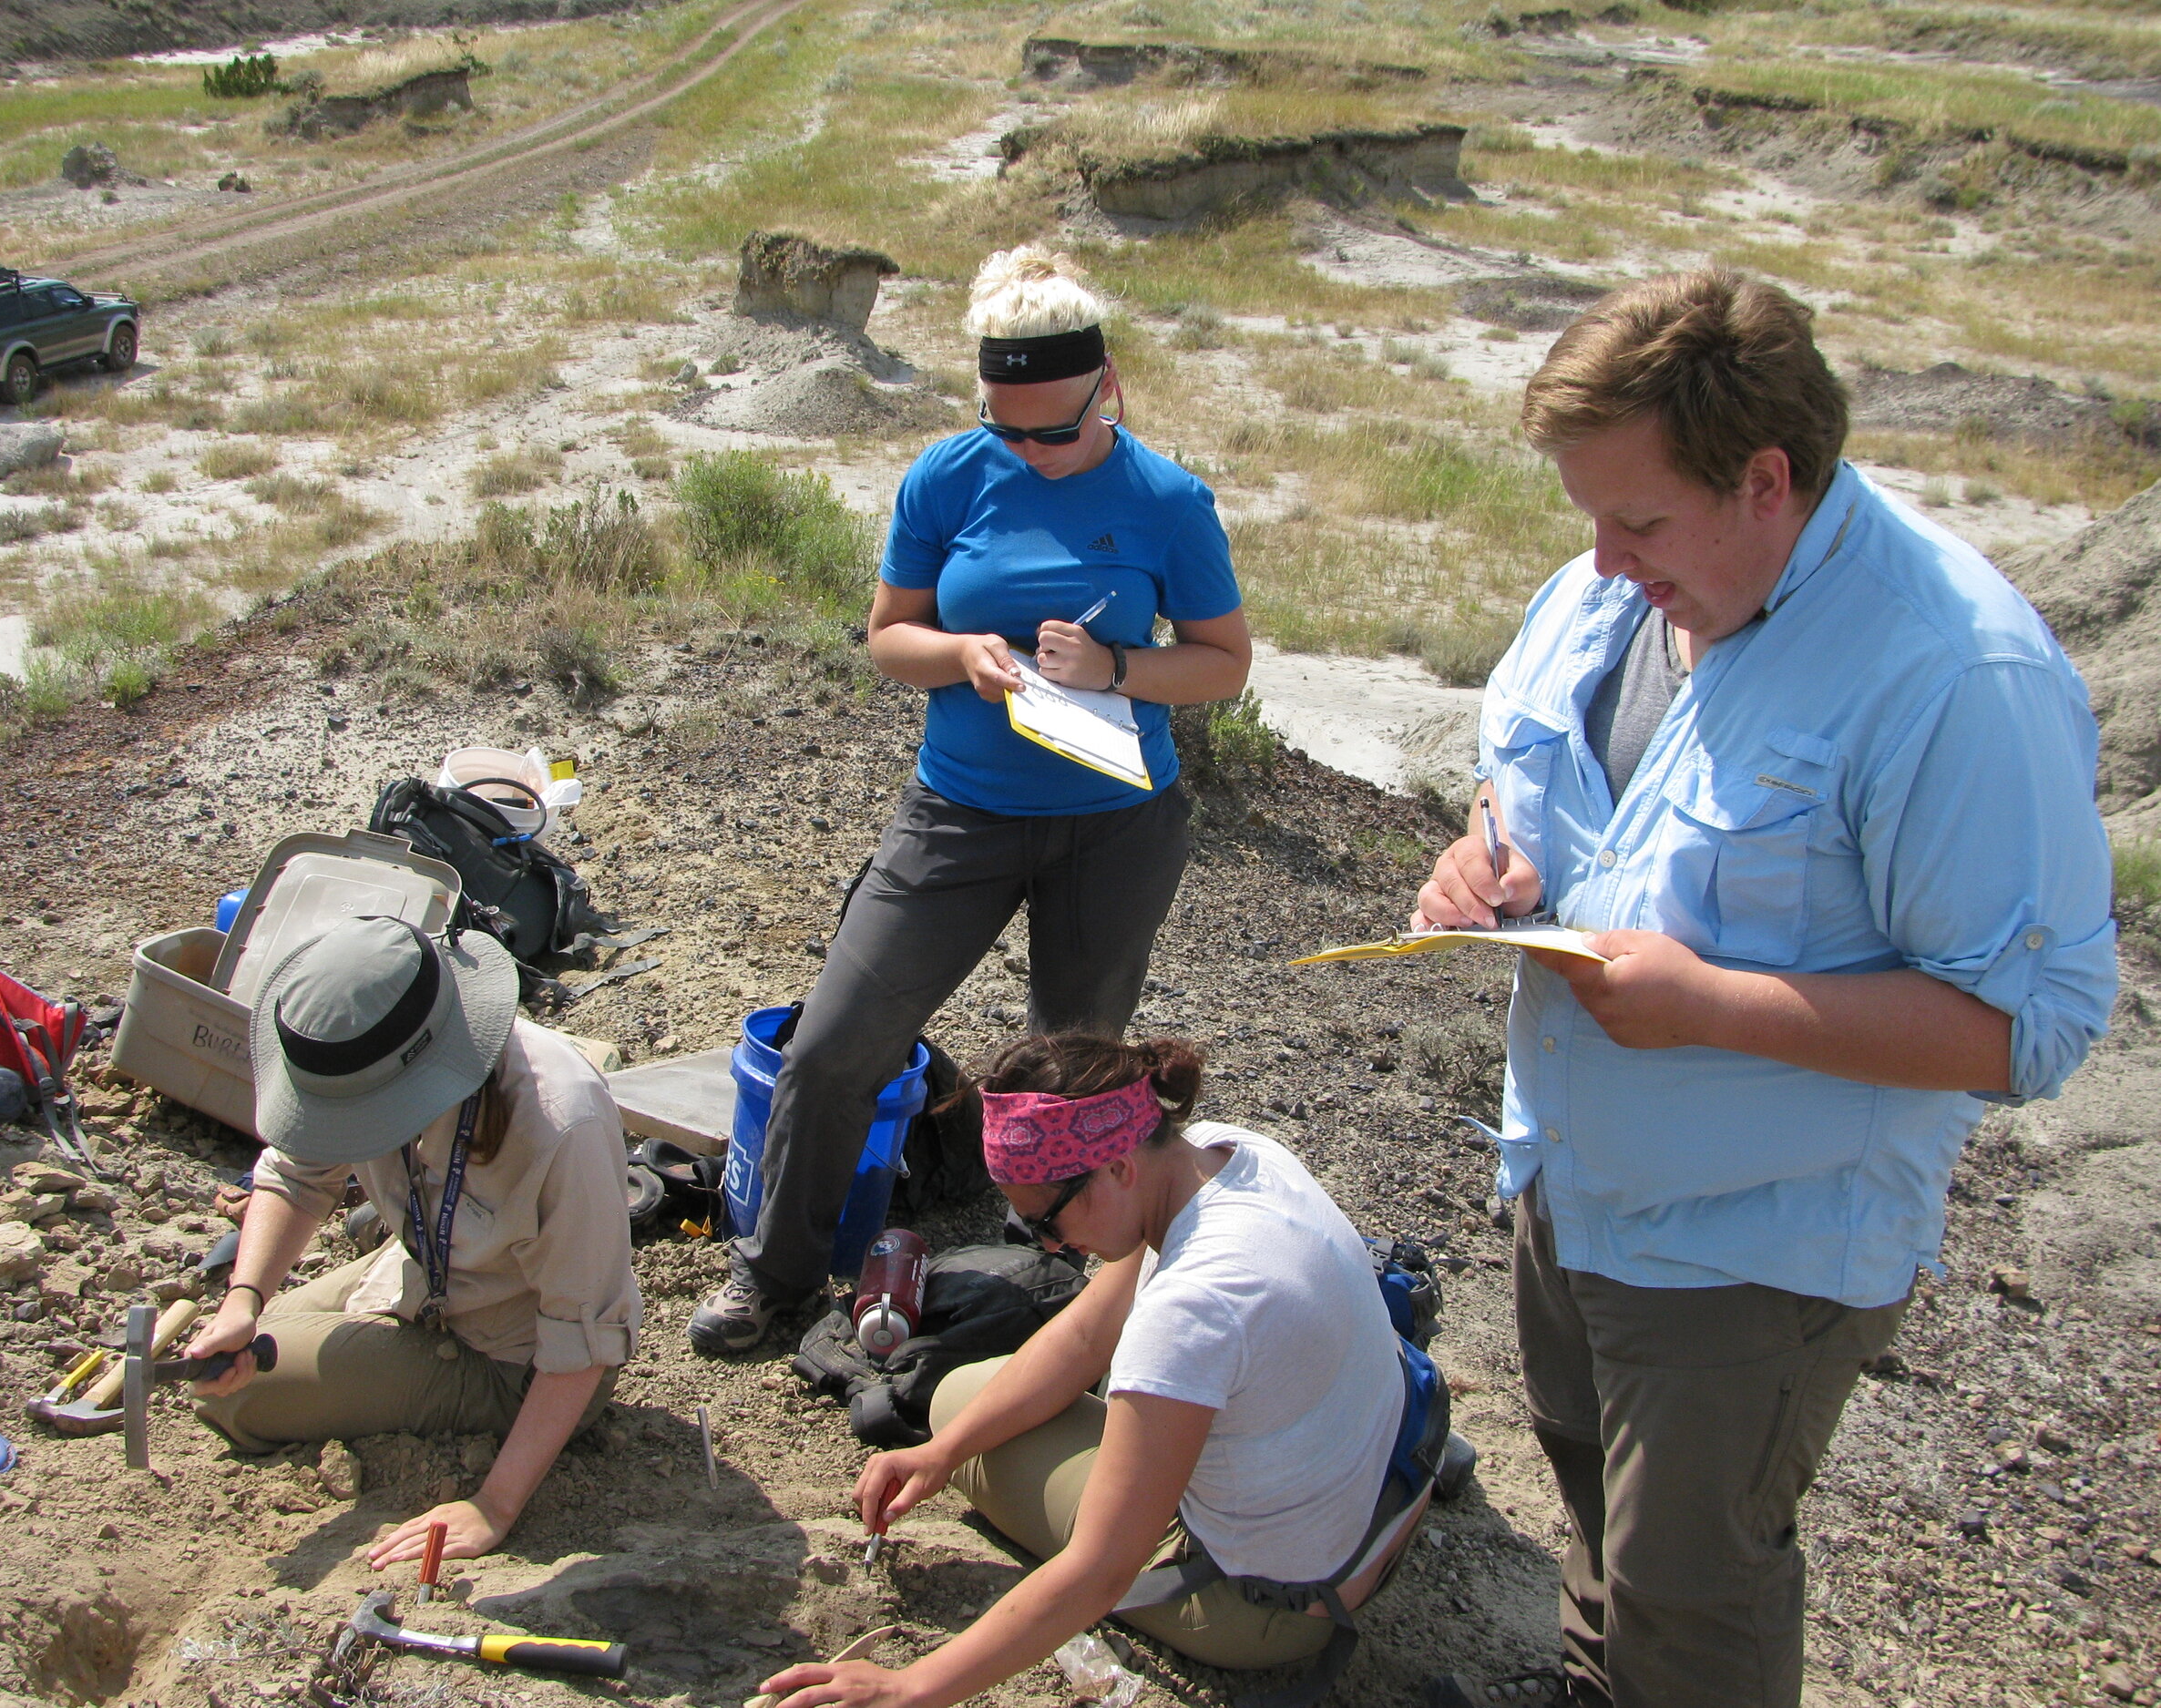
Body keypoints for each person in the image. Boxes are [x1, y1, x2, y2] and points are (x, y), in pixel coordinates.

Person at [1412, 270, 2115, 1708]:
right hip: (1569, 1174)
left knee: (1694, 1596)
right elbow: (1522, 765)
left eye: (1639, 521)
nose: (1600, 560)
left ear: (1768, 481)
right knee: (1599, 1518)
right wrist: (1479, 852)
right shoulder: (1618, 585)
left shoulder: (1949, 672)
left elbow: (2028, 1027)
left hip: (1754, 1248)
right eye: (1587, 518)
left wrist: (1712, 1003)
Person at [688, 246, 1253, 1355]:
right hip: (959, 811)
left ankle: (1047, 1271)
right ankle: (779, 1278)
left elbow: (1224, 662)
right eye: (1011, 428)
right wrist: (962, 654)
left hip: (1117, 825)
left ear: (1110, 388)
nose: (1034, 452)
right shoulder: (946, 476)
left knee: (1069, 1062)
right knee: (836, 1044)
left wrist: (1118, 671)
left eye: (1059, 429)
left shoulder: (1168, 502)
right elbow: (889, 638)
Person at [754, 1033, 1434, 1708]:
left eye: (1047, 1220)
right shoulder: (1230, 1152)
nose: (1051, 1244)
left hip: (1273, 1610)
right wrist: (943, 1453)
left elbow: (1098, 1571)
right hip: (1386, 1499)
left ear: (1114, 1166)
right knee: (964, 1419)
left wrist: (911, 1685)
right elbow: (1085, 1335)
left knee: (959, 1399)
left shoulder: (1190, 1308)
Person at [187, 915, 643, 1572]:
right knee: (250, 1347)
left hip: (521, 1363)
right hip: (425, 1273)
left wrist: (493, 1505)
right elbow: (296, 1172)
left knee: (240, 1395)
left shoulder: (559, 1120)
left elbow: (585, 1337)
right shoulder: (367, 1050)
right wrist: (243, 1300)